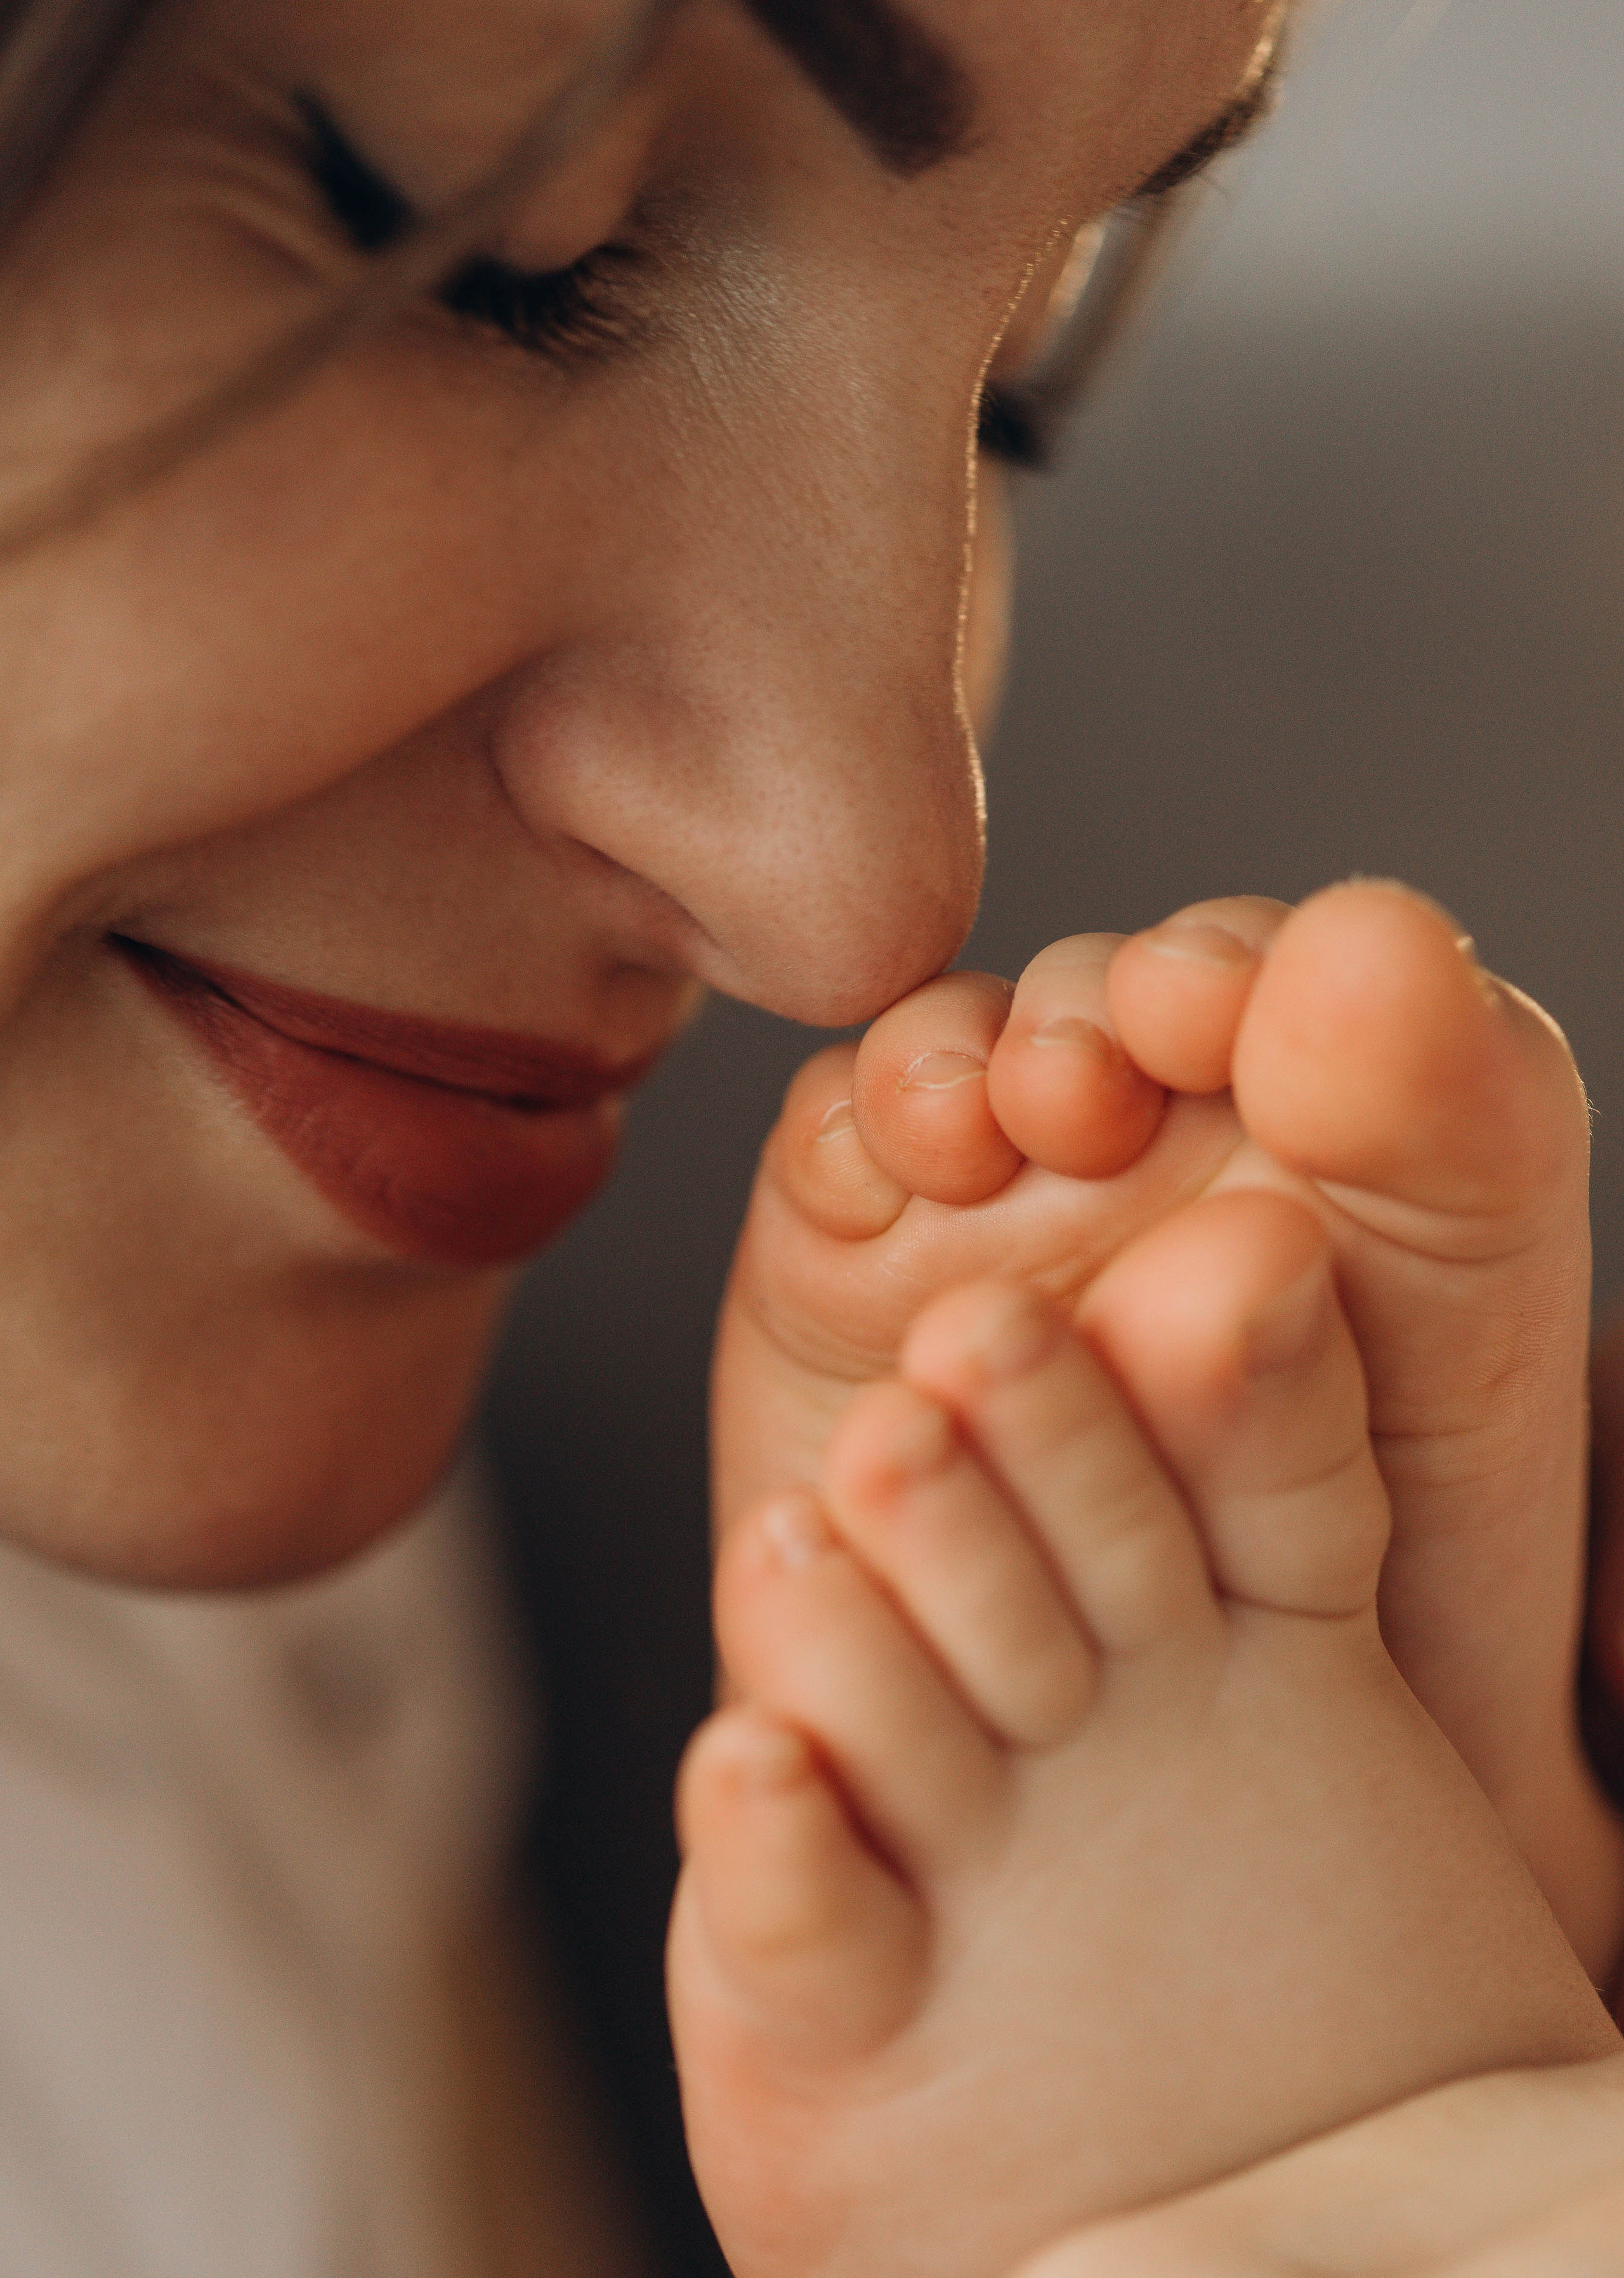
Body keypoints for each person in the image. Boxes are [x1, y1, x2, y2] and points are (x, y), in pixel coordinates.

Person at [0, 1, 1621, 2274]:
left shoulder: (215, 1583)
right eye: (491, 250)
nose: (860, 899)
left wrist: (1385, 2032)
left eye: (1011, 399)